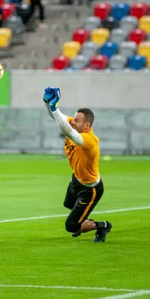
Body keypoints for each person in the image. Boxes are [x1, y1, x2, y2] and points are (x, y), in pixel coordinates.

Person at [42, 86, 112, 242]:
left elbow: (68, 132)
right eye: (73, 119)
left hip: (90, 189)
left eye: (77, 121)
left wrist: (54, 108)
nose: (72, 122)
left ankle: (102, 226)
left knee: (71, 226)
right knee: (69, 205)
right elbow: (57, 117)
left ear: (86, 126)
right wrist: (48, 103)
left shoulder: (90, 141)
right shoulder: (75, 125)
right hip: (76, 179)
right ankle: (82, 220)